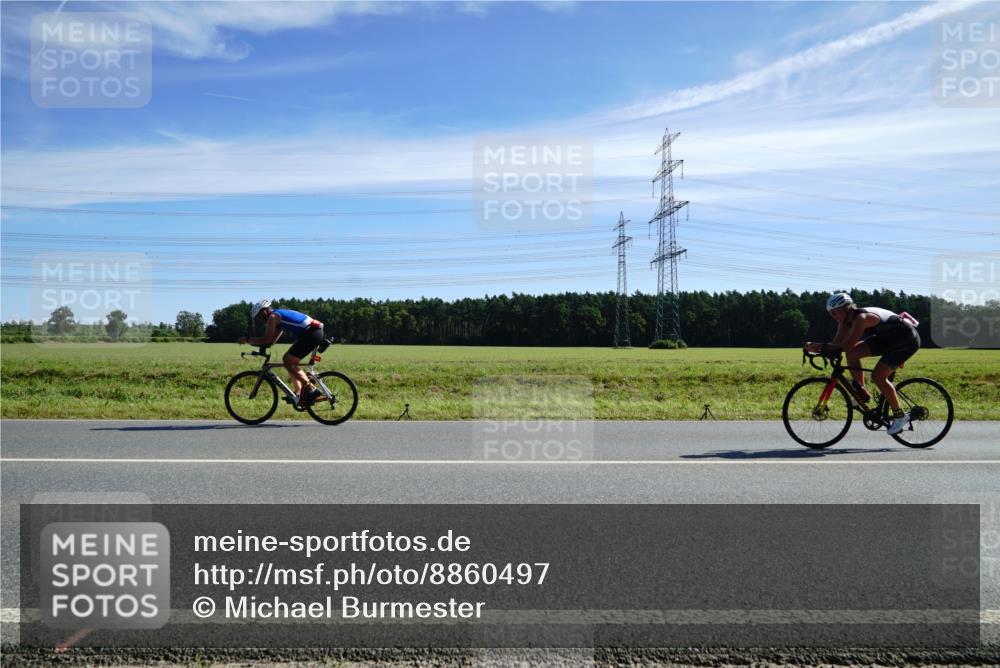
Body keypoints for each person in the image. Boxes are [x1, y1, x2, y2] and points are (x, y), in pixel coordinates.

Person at [805, 293, 920, 436]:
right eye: (830, 313)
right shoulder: (844, 321)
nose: (833, 315)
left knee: (878, 377)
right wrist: (823, 350)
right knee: (852, 353)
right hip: (886, 338)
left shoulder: (861, 318)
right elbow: (836, 344)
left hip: (906, 339)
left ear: (847, 308)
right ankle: (862, 394)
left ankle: (900, 415)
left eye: (836, 312)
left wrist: (819, 346)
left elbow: (846, 344)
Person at [238, 299, 325, 406]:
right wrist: (258, 344)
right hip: (313, 331)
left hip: (311, 332)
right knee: (289, 362)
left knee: (288, 362)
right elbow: (271, 342)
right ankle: (299, 394)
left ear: (265, 311)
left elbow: (267, 340)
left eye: (259, 317)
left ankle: (311, 390)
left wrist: (247, 340)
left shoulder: (273, 317)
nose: (260, 320)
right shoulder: (278, 318)